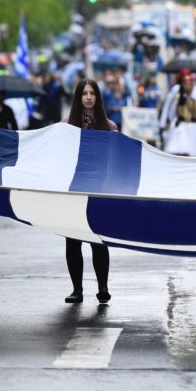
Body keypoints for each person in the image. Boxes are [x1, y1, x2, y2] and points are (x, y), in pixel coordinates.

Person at [62, 79, 116, 304]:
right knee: (73, 241)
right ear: (78, 97)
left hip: (99, 191)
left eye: (92, 93)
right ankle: (77, 290)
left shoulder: (109, 127)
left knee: (98, 241)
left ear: (97, 97)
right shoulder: (66, 126)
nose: (88, 97)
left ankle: (103, 287)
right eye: (84, 93)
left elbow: (115, 158)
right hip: (74, 190)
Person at [159, 69, 196, 156]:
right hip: (180, 125)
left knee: (193, 154)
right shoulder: (176, 90)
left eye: (190, 82)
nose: (188, 85)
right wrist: (165, 123)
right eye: (186, 83)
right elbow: (169, 108)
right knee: (178, 150)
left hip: (194, 127)